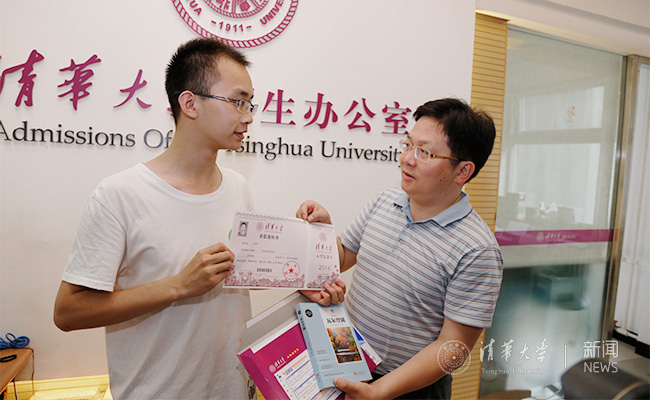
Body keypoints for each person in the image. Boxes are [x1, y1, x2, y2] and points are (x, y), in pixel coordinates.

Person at [54, 38, 344, 400]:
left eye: (250, 103)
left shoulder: (237, 187)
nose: (248, 116)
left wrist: (303, 279)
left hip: (233, 388)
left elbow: (238, 275)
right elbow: (68, 312)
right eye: (237, 101)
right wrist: (178, 285)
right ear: (190, 103)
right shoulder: (118, 195)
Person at [297, 98, 503, 400]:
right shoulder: (383, 202)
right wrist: (322, 232)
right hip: (347, 364)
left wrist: (379, 390)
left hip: (409, 390)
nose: (407, 158)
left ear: (462, 171)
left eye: (424, 152)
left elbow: (453, 347)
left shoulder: (477, 249)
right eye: (408, 145)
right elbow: (341, 258)